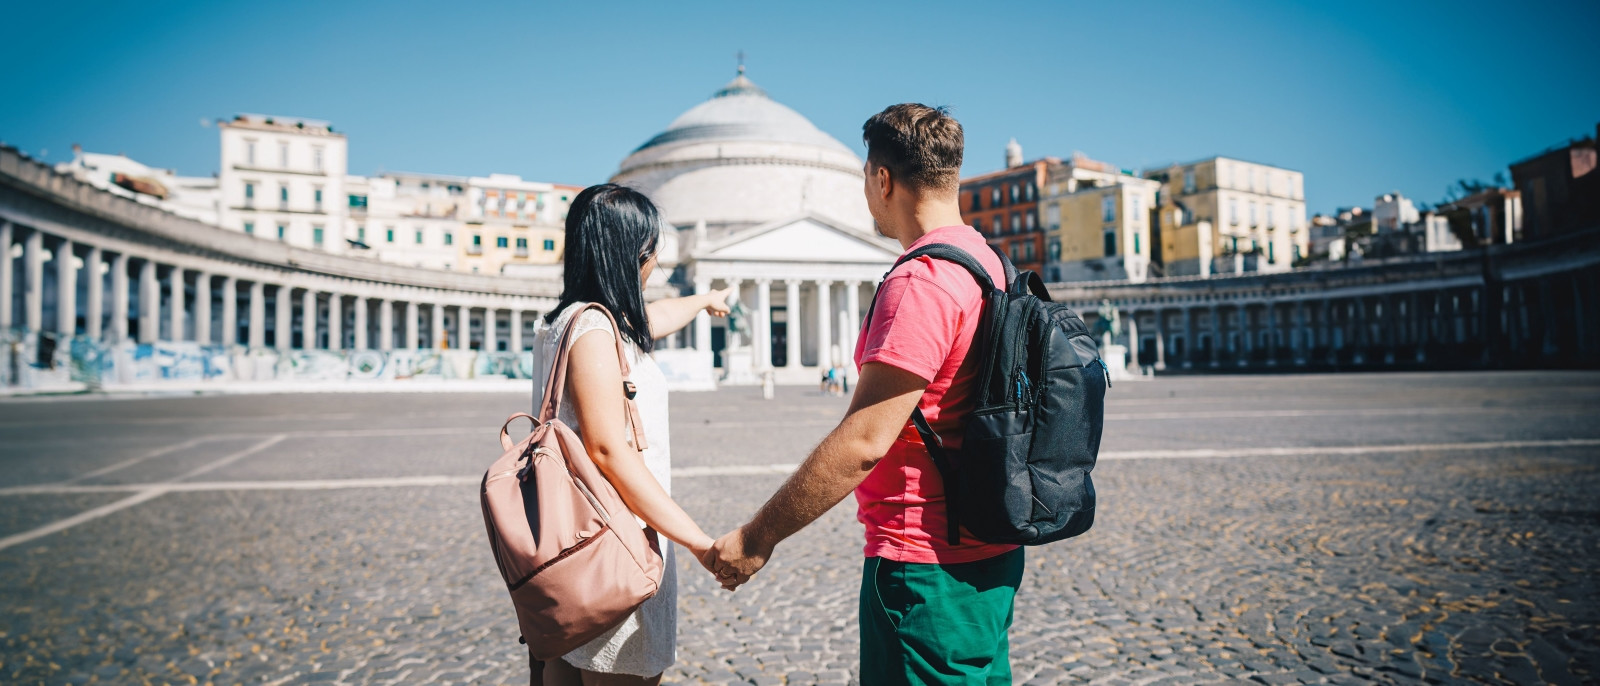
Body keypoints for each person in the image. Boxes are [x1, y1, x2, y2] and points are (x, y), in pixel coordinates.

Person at [702, 104, 1023, 684]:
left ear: (882, 179)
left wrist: (757, 537)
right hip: (990, 549)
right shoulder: (989, 264)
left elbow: (865, 441)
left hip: (923, 562)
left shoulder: (921, 280)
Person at [532, 183, 731, 686]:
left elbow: (654, 319)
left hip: (566, 547)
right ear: (627, 255)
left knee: (565, 668)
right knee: (620, 669)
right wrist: (700, 544)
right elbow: (609, 451)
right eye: (649, 249)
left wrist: (705, 299)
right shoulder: (596, 332)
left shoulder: (564, 322)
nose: (655, 259)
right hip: (615, 547)